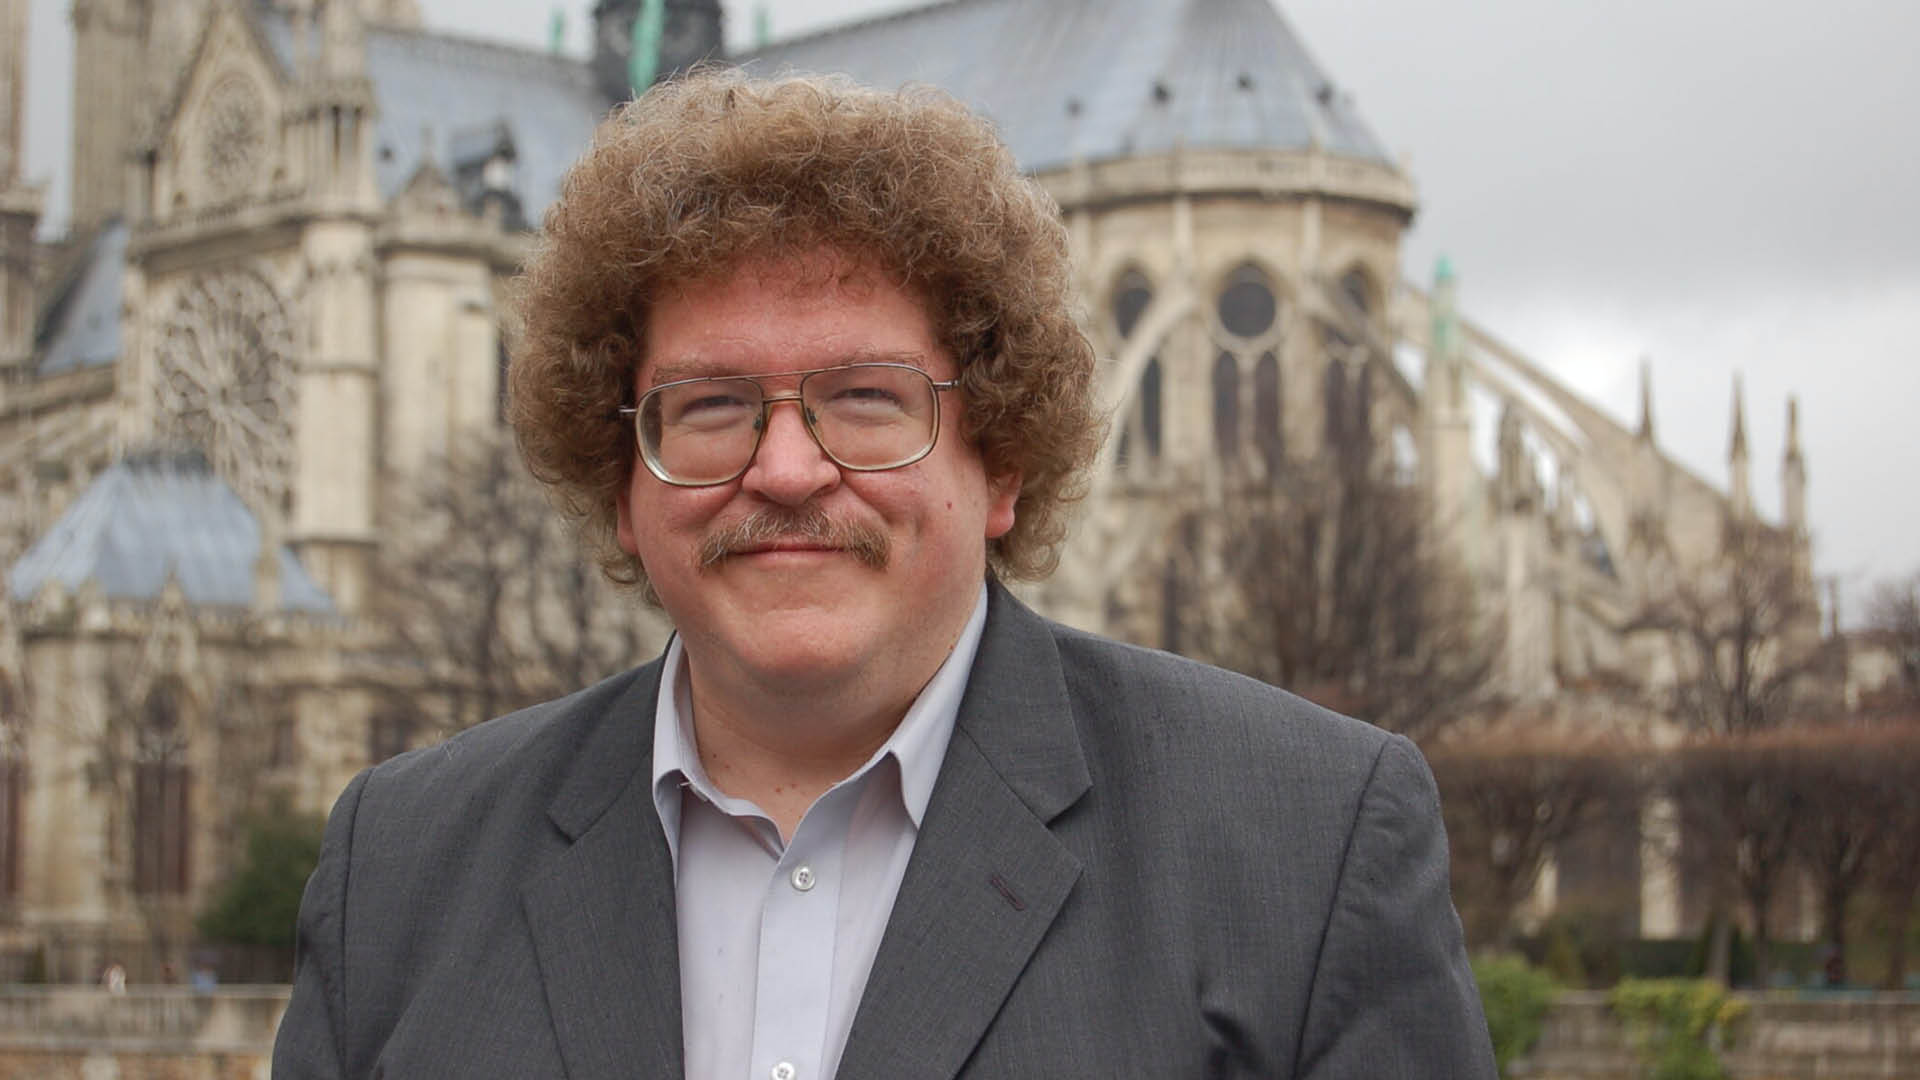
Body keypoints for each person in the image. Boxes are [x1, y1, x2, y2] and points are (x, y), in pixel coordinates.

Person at [273, 71, 1495, 1079]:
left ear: (1002, 459)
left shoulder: (1305, 844)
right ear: (623, 482)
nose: (789, 469)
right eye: (710, 407)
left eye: (868, 399)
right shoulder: (401, 870)